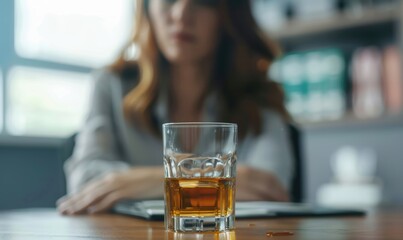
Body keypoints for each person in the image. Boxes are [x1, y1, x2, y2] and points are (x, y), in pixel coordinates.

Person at [57, 0, 294, 215]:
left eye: (203, 2)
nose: (182, 14)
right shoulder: (111, 84)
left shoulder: (259, 95)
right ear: (148, 9)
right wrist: (222, 182)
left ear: (228, 15)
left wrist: (142, 181)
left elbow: (269, 187)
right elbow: (85, 181)